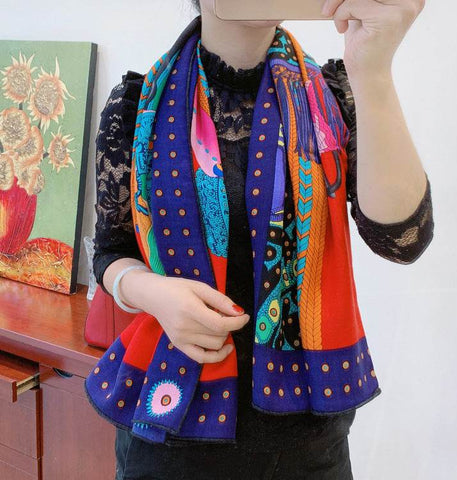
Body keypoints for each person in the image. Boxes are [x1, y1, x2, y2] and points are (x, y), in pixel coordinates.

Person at [89, 1, 434, 478]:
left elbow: (401, 239)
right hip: (171, 428)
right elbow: (111, 251)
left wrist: (372, 71)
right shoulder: (137, 106)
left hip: (309, 446)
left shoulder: (333, 96)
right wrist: (151, 292)